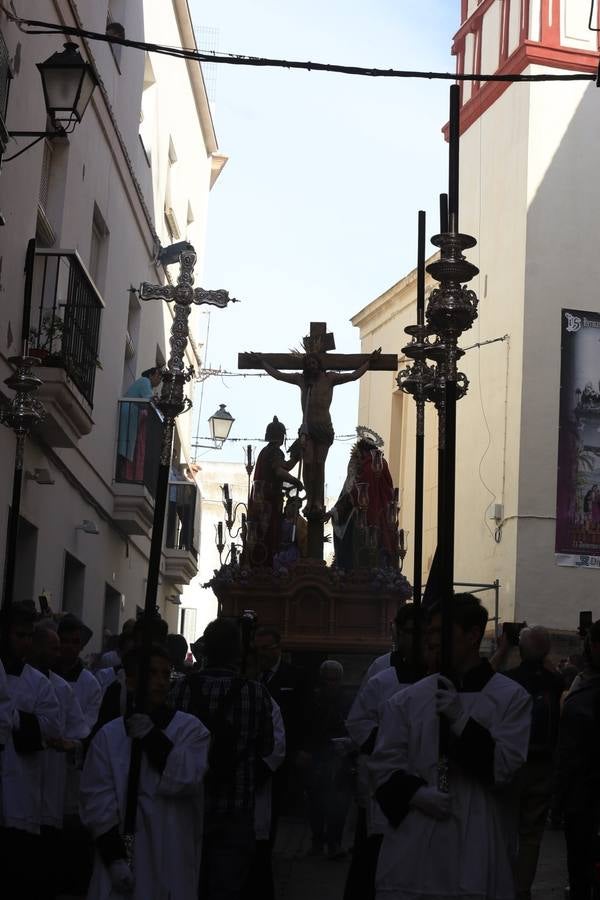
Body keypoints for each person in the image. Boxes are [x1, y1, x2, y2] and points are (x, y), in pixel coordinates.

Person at [370, 593, 531, 900]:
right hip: (416, 842)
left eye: (440, 631)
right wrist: (415, 793)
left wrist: (461, 721)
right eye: (428, 631)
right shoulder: (406, 700)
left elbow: (504, 769)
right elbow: (382, 765)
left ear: (472, 635)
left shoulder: (512, 698)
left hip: (477, 840)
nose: (430, 640)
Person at [80, 644, 209, 900]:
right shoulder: (110, 735)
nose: (160, 682)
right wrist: (114, 858)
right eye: (152, 674)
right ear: (132, 680)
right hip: (124, 857)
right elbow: (97, 801)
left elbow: (187, 777)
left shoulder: (190, 729)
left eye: (165, 674)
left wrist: (152, 738)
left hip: (170, 853)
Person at [179, 618, 274, 900]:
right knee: (227, 887)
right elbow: (268, 746)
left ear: (206, 651)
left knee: (188, 881)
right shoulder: (256, 693)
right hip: (236, 804)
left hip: (189, 802)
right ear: (238, 652)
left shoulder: (182, 689)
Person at [344, 605, 425, 900]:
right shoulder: (382, 671)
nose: (414, 641)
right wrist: (390, 742)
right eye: (408, 633)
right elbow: (358, 721)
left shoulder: (438, 672)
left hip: (424, 778)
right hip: (386, 778)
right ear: (397, 633)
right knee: (374, 855)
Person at [260, 349, 381, 516]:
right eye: (308, 364)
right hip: (307, 429)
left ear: (319, 364)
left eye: (314, 363)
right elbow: (279, 375)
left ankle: (318, 500)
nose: (311, 366)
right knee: (308, 463)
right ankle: (310, 498)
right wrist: (263, 363)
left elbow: (352, 376)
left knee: (319, 463)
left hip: (324, 428)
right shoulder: (301, 380)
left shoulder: (329, 378)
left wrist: (369, 362)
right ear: (306, 367)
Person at [495, 625, 563, 900]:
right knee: (532, 834)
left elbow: (480, 680)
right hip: (543, 765)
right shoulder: (556, 683)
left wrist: (503, 649)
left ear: (519, 649)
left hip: (513, 763)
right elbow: (556, 677)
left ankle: (502, 882)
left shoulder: (509, 680)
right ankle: (523, 887)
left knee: (504, 827)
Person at [0, 602, 61, 899]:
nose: (23, 642)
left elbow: (50, 729)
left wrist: (12, 717)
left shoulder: (39, 684)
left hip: (20, 795)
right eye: (18, 635)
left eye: (28, 636)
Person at [29, 625, 89, 900]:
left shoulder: (62, 688)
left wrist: (71, 744)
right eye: (54, 647)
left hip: (52, 779)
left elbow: (79, 731)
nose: (60, 652)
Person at [55, 613, 102, 896]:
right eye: (65, 641)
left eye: (76, 642)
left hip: (72, 769)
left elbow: (88, 726)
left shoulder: (89, 684)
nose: (70, 647)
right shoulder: (42, 674)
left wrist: (71, 742)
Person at [557, 619, 600, 900]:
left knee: (582, 872)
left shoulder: (583, 696)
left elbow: (570, 757)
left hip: (585, 798)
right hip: (583, 798)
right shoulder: (582, 690)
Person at [303, 660, 354, 860]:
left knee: (339, 803)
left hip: (338, 756)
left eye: (335, 680)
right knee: (316, 802)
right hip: (318, 756)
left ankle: (334, 843)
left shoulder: (346, 701)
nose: (331, 683)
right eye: (328, 679)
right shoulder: (313, 701)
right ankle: (318, 841)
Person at [330, 436, 396, 570]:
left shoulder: (366, 466)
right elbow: (390, 488)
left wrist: (335, 511)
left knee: (351, 540)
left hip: (365, 517)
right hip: (384, 514)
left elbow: (355, 491)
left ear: (362, 452)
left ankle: (347, 569)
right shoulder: (382, 463)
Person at [247, 417, 303, 567]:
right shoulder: (275, 452)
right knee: (269, 535)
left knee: (262, 536)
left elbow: (285, 467)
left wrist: (297, 457)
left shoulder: (265, 452)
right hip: (268, 503)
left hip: (262, 501)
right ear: (281, 436)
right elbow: (280, 471)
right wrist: (295, 482)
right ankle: (267, 563)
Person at [117, 366, 163, 481]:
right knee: (124, 445)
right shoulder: (144, 381)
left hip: (132, 416)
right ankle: (119, 473)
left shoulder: (146, 385)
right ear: (152, 375)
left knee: (126, 445)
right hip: (129, 414)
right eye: (158, 376)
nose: (159, 380)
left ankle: (120, 473)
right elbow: (149, 400)